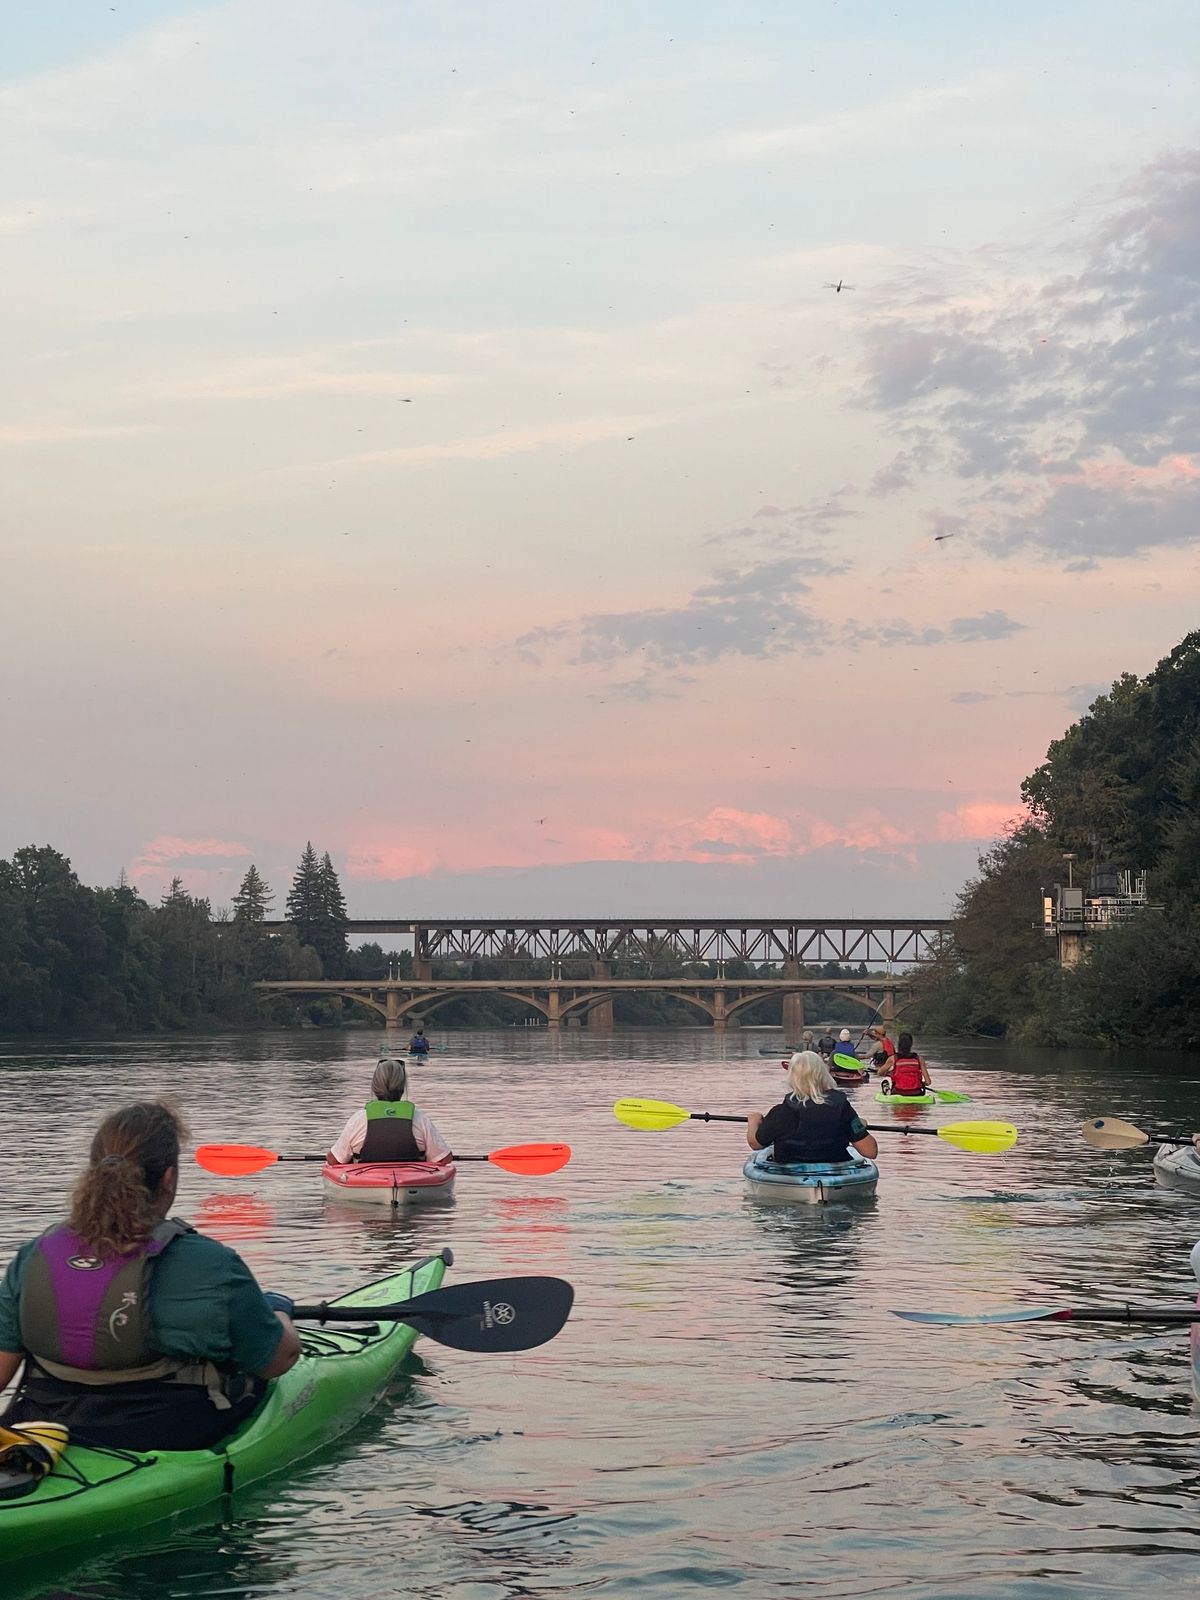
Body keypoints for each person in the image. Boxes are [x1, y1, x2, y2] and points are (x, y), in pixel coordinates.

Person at [0, 1102, 300, 1452]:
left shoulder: (32, 1256)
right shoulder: (212, 1265)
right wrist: (279, 1314)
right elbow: (279, 1361)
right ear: (169, 1178)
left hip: (41, 1435)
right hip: (167, 1434)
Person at [746, 1051, 878, 1165]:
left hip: (791, 1174)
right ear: (823, 1073)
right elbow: (870, 1151)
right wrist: (859, 1126)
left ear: (792, 1076)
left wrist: (754, 1121)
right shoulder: (842, 1108)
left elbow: (755, 1144)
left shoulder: (781, 1112)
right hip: (834, 1170)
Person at [327, 1056, 451, 1165]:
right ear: (402, 1087)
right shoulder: (419, 1118)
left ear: (375, 1087)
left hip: (368, 1180)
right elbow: (444, 1159)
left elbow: (334, 1160)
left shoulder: (359, 1119)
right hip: (412, 1181)